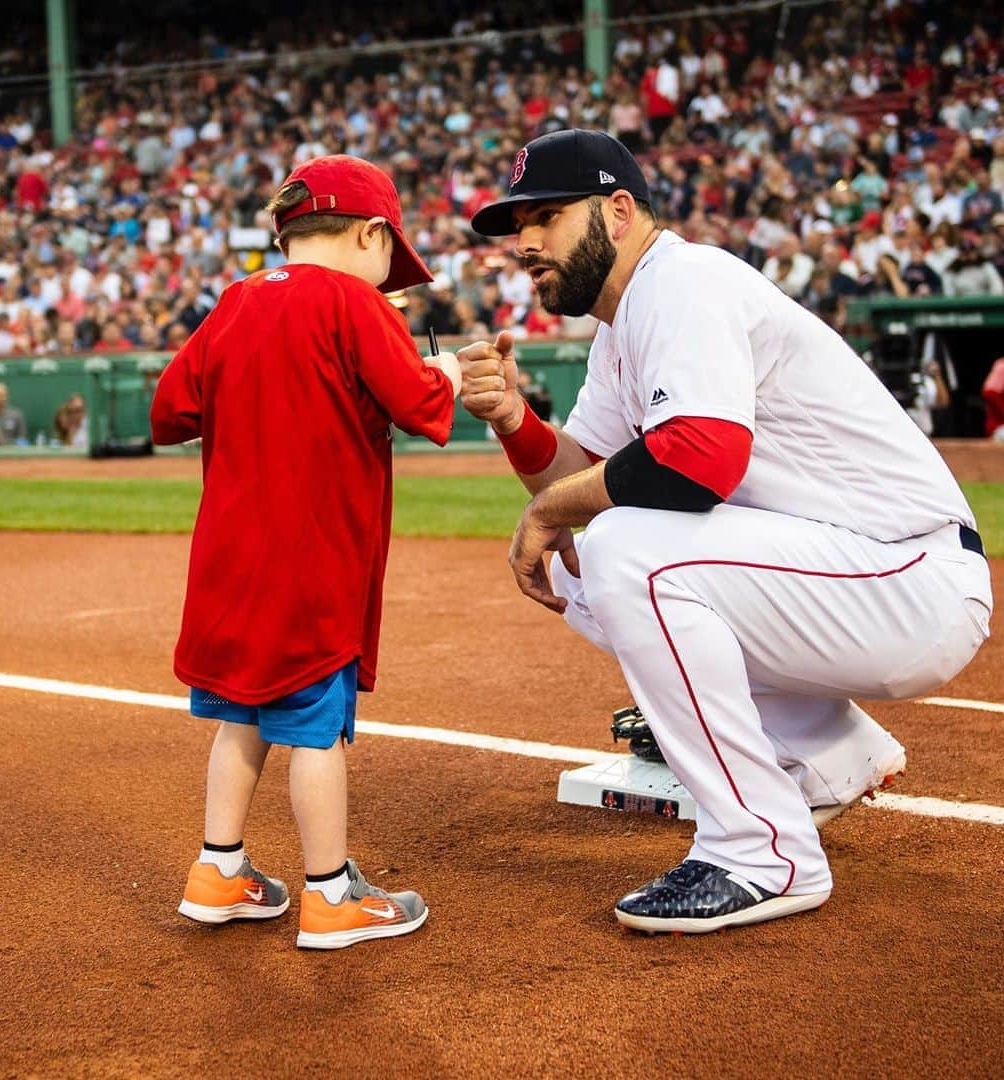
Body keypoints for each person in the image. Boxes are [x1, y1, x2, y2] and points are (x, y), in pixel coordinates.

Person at [460, 129, 992, 936]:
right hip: (851, 574)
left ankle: (761, 851)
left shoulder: (685, 282)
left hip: (906, 575)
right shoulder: (622, 325)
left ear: (619, 209)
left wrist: (546, 509)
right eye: (517, 225)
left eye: (548, 216)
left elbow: (699, 457)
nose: (526, 243)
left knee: (619, 548)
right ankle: (828, 752)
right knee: (583, 558)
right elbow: (584, 472)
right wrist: (512, 420)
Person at [150, 155, 461, 950]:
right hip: (314, 566)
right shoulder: (356, 305)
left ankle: (218, 873)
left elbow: (169, 411)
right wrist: (448, 371)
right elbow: (424, 406)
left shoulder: (237, 300)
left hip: (229, 564)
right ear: (368, 233)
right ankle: (330, 895)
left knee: (240, 718)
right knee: (316, 730)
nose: (392, 275)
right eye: (389, 254)